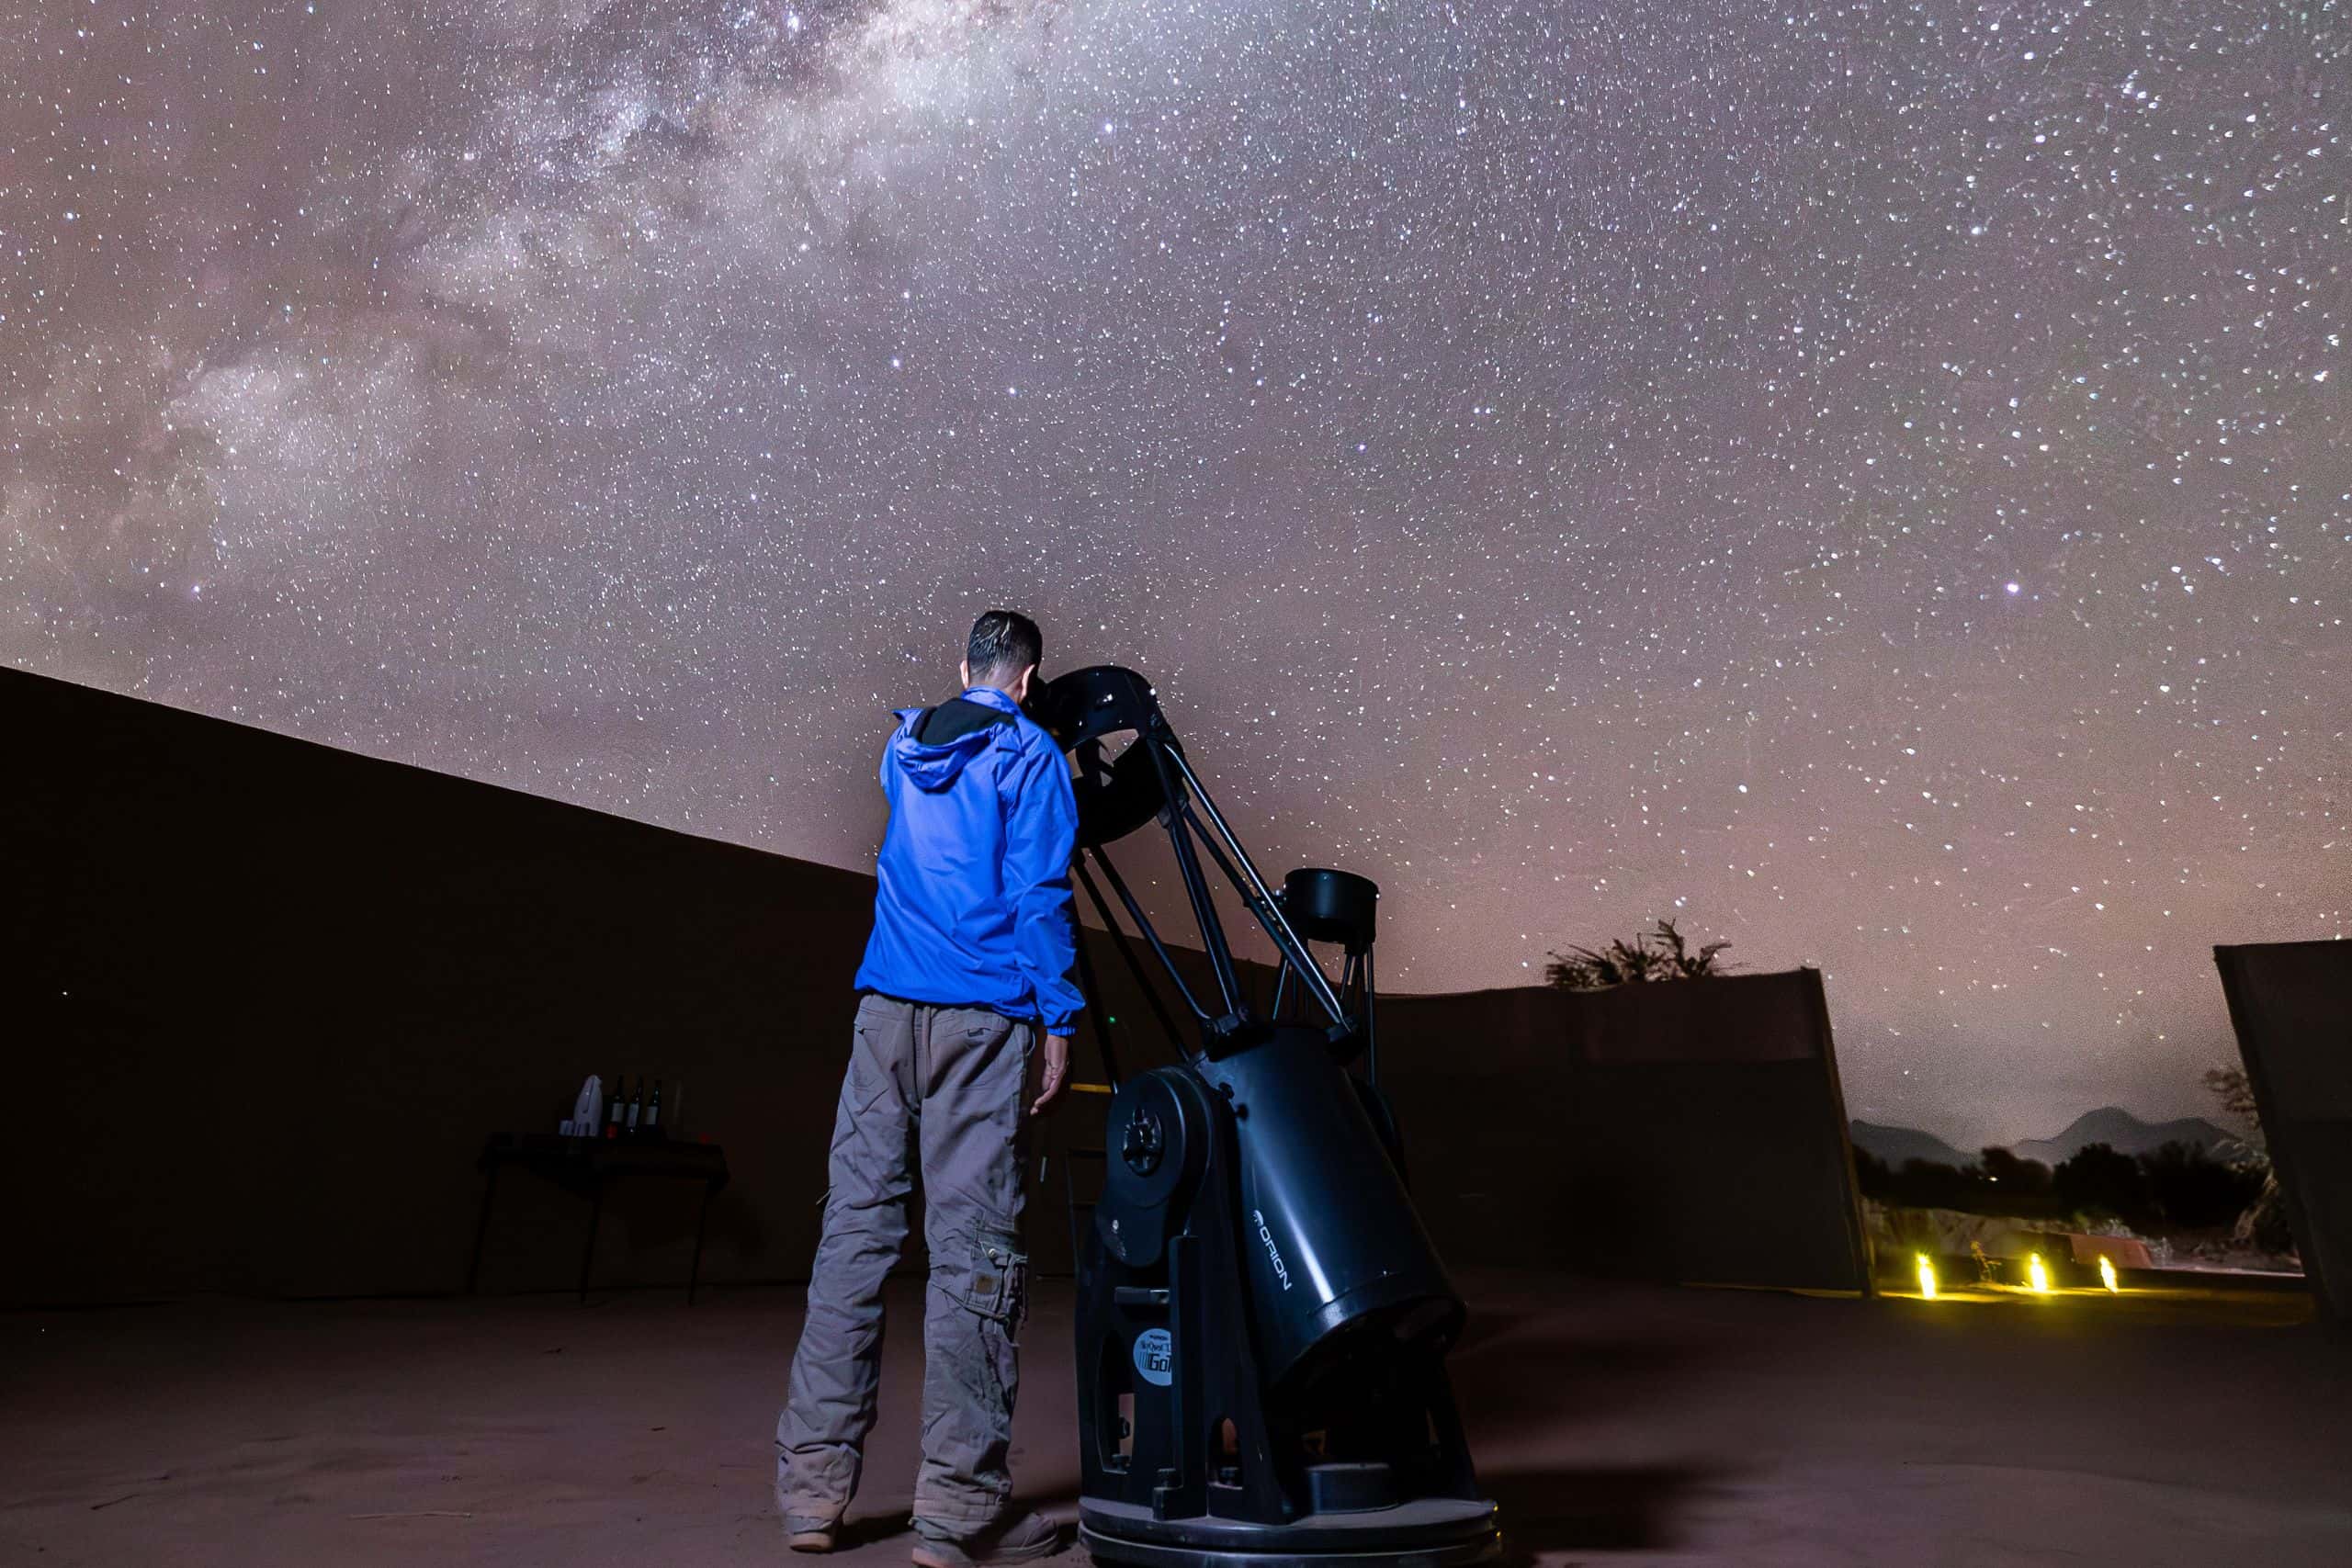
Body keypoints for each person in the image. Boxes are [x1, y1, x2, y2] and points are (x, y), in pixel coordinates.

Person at [776, 609, 1080, 1568]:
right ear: (1027, 679)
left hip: (883, 1017)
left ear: (963, 667)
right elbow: (1039, 893)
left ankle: (812, 1500)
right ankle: (956, 1516)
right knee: (975, 1256)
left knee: (852, 1238)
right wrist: (1060, 1019)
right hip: (981, 1021)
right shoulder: (1030, 755)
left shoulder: (902, 745)